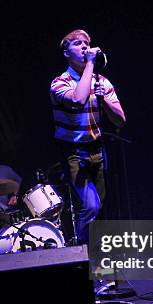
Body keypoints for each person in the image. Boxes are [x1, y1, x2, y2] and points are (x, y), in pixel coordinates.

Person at [49, 29, 126, 244]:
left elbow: (120, 120)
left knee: (100, 211)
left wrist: (105, 100)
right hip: (73, 152)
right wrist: (91, 65)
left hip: (97, 150)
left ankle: (102, 270)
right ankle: (83, 261)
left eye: (87, 43)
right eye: (77, 44)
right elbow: (77, 100)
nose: (84, 46)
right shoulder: (59, 83)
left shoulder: (102, 82)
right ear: (66, 53)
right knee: (90, 206)